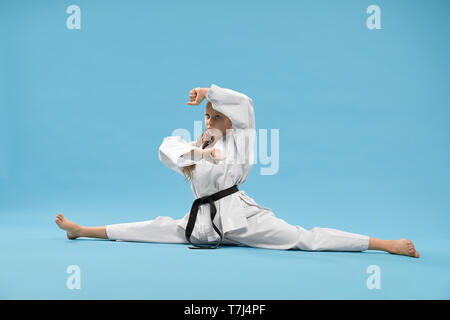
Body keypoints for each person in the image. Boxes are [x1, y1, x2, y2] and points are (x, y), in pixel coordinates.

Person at [55, 84, 420, 258]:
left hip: (242, 219)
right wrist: (198, 152)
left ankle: (383, 243)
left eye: (217, 116)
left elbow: (245, 103)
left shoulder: (241, 139)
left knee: (303, 238)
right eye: (207, 115)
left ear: (231, 121)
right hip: (201, 224)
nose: (210, 119)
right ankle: (81, 230)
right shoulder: (196, 146)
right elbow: (166, 150)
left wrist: (208, 90)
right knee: (155, 227)